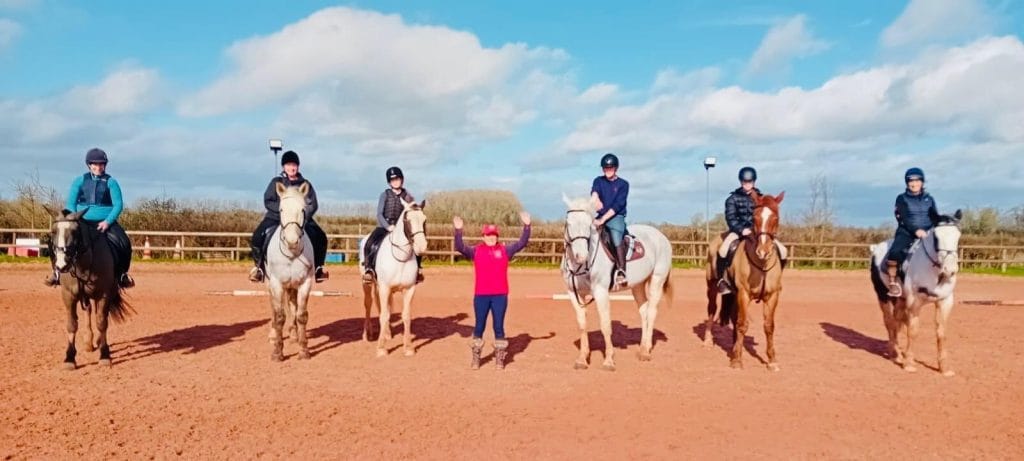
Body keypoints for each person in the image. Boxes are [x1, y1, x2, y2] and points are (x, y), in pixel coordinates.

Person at [45, 148, 135, 288]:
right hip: (82, 221)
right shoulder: (79, 181)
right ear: (89, 165)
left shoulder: (111, 182)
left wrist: (107, 222)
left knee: (124, 242)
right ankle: (56, 272)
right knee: (55, 241)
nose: (98, 167)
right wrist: (74, 220)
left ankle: (122, 275)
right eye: (95, 164)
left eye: (101, 164)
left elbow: (118, 205)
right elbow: (71, 204)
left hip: (105, 223)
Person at [453, 211, 531, 370]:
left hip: (500, 296)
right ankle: (476, 358)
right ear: (483, 236)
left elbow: (522, 243)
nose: (491, 238)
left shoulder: (504, 251)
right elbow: (460, 247)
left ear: (497, 236)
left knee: (498, 326)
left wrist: (527, 226)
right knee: (479, 326)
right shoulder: (476, 251)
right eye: (488, 235)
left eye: (494, 235)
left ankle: (499, 358)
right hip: (481, 295)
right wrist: (458, 230)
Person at [248, 150, 329, 283]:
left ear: (298, 166)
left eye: (294, 165)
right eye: (288, 165)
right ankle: (259, 268)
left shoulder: (305, 184)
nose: (291, 168)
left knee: (321, 237)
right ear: (283, 167)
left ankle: (318, 268)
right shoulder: (276, 182)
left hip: (301, 220)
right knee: (258, 235)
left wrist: (302, 217)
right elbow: (268, 200)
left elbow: (312, 204)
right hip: (275, 217)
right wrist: (282, 213)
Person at [715, 166, 788, 294]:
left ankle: (777, 279)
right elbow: (730, 218)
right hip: (738, 231)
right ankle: (722, 280)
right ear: (741, 182)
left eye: (749, 182)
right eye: (745, 182)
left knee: (783, 251)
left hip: (759, 233)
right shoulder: (732, 199)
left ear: (754, 182)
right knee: (723, 249)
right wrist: (741, 230)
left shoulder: (761, 198)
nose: (747, 185)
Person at [362, 166, 423, 284]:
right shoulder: (384, 195)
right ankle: (369, 269)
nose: (395, 182)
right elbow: (379, 214)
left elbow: (413, 211)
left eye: (397, 179)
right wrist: (388, 226)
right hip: (384, 226)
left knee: (416, 244)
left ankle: (418, 270)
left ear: (402, 180)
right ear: (389, 182)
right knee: (370, 243)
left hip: (401, 227)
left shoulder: (407, 196)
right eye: (392, 180)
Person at [884, 167, 939, 297]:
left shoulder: (929, 199)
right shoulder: (901, 199)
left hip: (927, 232)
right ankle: (893, 283)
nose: (914, 184)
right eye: (911, 181)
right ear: (907, 183)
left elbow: (934, 215)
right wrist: (916, 230)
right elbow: (903, 217)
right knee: (895, 251)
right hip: (907, 231)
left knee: (943, 249)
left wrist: (935, 227)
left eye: (917, 181)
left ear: (922, 182)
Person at [590, 153, 629, 288]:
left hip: (615, 216)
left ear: (616, 168)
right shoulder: (598, 181)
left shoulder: (623, 184)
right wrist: (595, 200)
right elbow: (594, 192)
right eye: (606, 168)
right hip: (600, 215)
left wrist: (603, 219)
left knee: (616, 236)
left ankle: (622, 271)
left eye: (611, 168)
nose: (608, 170)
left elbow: (618, 205)